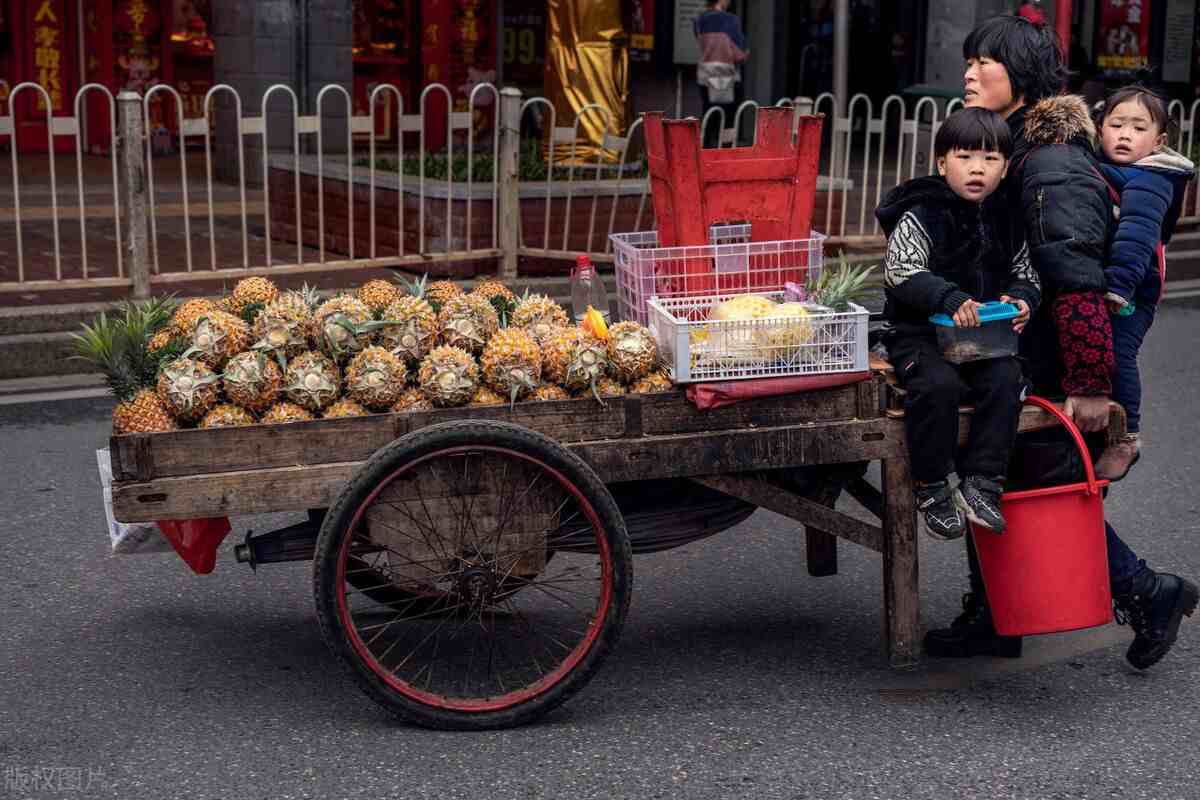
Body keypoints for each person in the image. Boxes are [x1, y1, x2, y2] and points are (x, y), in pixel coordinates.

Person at [925, 14, 1198, 668]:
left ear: (1019, 74)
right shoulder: (1008, 144)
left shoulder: (1049, 159)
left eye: (984, 61)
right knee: (997, 478)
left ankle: (1145, 591)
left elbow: (1075, 271)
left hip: (1047, 357)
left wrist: (1089, 384)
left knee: (1029, 485)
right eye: (968, 60)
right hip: (1008, 349)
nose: (969, 73)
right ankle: (996, 613)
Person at [876, 108, 1040, 539]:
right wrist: (948, 297)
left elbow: (1027, 273)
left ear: (1005, 168)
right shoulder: (921, 212)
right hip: (919, 335)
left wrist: (1022, 299)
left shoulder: (1009, 218)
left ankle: (983, 482)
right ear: (942, 163)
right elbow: (900, 270)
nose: (977, 169)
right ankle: (931, 486)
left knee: (1007, 379)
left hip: (985, 339)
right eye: (965, 157)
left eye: (990, 159)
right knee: (937, 385)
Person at [1092, 86, 1196, 481]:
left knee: (1119, 351)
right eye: (1116, 124)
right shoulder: (1101, 167)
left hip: (1134, 288)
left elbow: (1136, 236)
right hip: (1113, 281)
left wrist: (1118, 287)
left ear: (1159, 141)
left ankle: (1127, 437)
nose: (1124, 134)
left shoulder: (1151, 180)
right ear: (1099, 128)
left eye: (1138, 127)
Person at [694, 0, 748, 147]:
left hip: (706, 75)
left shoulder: (699, 20)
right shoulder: (731, 20)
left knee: (708, 114)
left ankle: (704, 151)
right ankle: (725, 154)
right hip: (728, 76)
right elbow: (740, 54)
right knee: (729, 119)